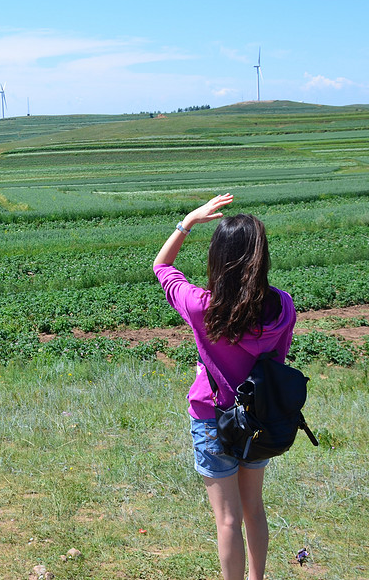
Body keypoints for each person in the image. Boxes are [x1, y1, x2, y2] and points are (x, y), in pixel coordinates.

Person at [153, 194, 296, 580]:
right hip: (260, 419)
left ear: (218, 257)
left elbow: (162, 266)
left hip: (212, 417)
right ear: (260, 256)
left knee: (227, 520)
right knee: (254, 509)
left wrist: (188, 222)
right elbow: (277, 363)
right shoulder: (283, 306)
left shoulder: (202, 306)